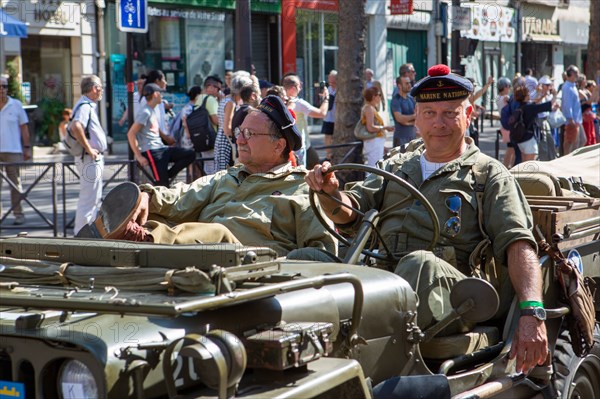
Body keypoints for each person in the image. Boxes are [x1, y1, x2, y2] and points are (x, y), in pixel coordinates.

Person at [305, 64, 547, 375]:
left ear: (469, 114)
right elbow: (351, 214)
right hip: (383, 281)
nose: (439, 123)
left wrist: (532, 311)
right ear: (416, 118)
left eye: (450, 112)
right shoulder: (397, 166)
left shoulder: (487, 174)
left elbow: (518, 244)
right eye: (429, 113)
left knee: (419, 264)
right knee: (306, 261)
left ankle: (365, 364)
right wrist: (331, 193)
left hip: (455, 298)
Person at [91, 96, 336, 258]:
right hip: (199, 267)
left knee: (218, 233)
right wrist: (146, 197)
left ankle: (142, 240)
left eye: (249, 133)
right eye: (240, 131)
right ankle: (104, 242)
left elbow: (324, 252)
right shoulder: (227, 177)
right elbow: (182, 196)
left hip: (252, 273)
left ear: (278, 145)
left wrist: (282, 263)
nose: (239, 139)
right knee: (149, 211)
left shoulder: (304, 188)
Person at [127, 83, 195, 187]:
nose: (162, 96)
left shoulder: (152, 109)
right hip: (152, 151)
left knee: (190, 154)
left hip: (162, 148)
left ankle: (167, 175)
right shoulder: (145, 112)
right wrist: (139, 156)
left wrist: (166, 139)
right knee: (162, 186)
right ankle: (163, 179)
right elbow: (131, 133)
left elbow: (154, 129)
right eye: (160, 93)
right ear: (155, 95)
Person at [70, 75, 108, 235]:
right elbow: (76, 126)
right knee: (88, 201)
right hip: (89, 159)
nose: (102, 90)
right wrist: (89, 148)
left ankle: (88, 234)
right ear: (94, 89)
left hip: (89, 159)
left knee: (92, 199)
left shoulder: (86, 105)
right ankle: (81, 236)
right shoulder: (85, 106)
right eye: (100, 87)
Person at [0, 76, 31, 225]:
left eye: (4, 86)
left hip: (13, 151)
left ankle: (19, 214)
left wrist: (27, 147)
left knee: (15, 185)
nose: (2, 89)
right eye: (0, 86)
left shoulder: (16, 104)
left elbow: (24, 127)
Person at [282, 74, 329, 167]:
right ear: (293, 88)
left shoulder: (281, 101)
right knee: (302, 172)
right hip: (299, 145)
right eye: (299, 85)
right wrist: (326, 98)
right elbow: (321, 113)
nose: (301, 87)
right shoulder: (298, 103)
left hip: (291, 144)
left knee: (314, 161)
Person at [214, 71, 253, 172]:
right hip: (226, 142)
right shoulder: (231, 103)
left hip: (220, 139)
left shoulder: (225, 99)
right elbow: (227, 129)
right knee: (225, 174)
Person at [183, 75, 222, 175]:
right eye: (218, 89)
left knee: (207, 166)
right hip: (211, 139)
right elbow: (216, 120)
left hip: (200, 140)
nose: (219, 92)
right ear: (210, 87)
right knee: (214, 168)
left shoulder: (199, 98)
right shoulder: (210, 99)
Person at [510, 85, 556, 161]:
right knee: (530, 165)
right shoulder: (529, 108)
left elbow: (534, 103)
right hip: (528, 140)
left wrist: (541, 96)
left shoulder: (519, 106)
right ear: (526, 96)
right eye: (528, 94)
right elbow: (547, 105)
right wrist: (555, 95)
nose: (530, 95)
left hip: (520, 140)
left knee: (524, 165)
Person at [360, 86, 394, 166]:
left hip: (375, 142)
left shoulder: (371, 108)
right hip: (373, 142)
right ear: (374, 97)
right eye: (379, 95)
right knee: (374, 166)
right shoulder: (369, 109)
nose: (380, 97)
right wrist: (385, 128)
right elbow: (370, 127)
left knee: (376, 165)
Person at [561, 65, 585, 155]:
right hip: (572, 120)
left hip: (577, 119)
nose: (578, 75)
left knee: (582, 140)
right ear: (571, 74)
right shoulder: (567, 87)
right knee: (571, 142)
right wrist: (570, 118)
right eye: (576, 73)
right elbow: (567, 104)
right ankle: (568, 161)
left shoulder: (573, 86)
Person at [390, 76, 416, 149]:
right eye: (406, 83)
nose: (409, 85)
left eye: (409, 83)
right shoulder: (396, 100)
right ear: (399, 86)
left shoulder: (411, 99)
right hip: (400, 138)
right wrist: (413, 117)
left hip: (413, 137)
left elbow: (419, 116)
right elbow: (399, 118)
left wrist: (408, 122)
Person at [496, 77, 515, 167]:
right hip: (507, 125)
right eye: (509, 86)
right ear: (505, 87)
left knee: (512, 148)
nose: (510, 88)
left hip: (504, 125)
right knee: (511, 148)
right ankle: (506, 166)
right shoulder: (505, 98)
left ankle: (510, 165)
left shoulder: (498, 98)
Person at [321, 70, 337, 159]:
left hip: (337, 118)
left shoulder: (341, 89)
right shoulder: (327, 89)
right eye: (329, 78)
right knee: (327, 136)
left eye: (332, 79)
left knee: (335, 136)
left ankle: (334, 153)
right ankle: (328, 154)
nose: (329, 80)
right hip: (328, 117)